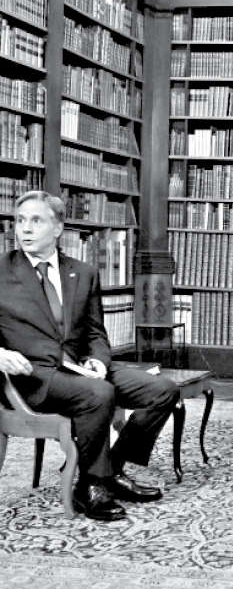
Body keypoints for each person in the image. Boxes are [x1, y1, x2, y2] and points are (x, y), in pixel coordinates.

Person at [0, 191, 178, 522]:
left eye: (36, 220)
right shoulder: (1, 271)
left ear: (57, 228)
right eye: (20, 221)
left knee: (162, 390)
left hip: (80, 368)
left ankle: (111, 469)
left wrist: (98, 360)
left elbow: (96, 333)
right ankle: (91, 485)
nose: (25, 229)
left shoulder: (83, 272)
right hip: (33, 376)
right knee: (99, 393)